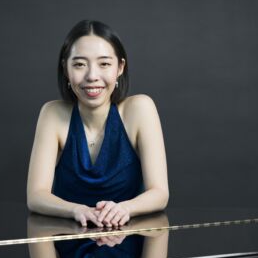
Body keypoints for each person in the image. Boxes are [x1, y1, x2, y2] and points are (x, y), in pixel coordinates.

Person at [27, 20, 168, 228]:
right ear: (65, 68)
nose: (92, 76)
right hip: (68, 236)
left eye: (104, 64)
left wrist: (124, 209)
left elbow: (160, 193)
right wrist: (77, 210)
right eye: (79, 64)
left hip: (127, 237)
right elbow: (36, 196)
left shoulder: (140, 108)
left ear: (120, 67)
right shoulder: (52, 113)